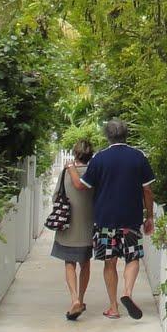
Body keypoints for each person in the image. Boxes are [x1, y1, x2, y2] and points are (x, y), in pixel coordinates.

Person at [77, 118, 156, 320]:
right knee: (133, 257)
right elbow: (147, 190)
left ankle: (113, 307)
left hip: (105, 219)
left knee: (109, 262)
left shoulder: (99, 159)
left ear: (108, 136)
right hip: (131, 218)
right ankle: (127, 292)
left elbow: (83, 186)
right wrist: (150, 216)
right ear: (126, 134)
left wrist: (71, 169)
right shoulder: (139, 157)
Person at [51, 140, 96, 320]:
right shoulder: (94, 175)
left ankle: (74, 299)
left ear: (75, 154)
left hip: (68, 226)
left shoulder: (65, 173)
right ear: (90, 155)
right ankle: (82, 299)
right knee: (85, 263)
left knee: (69, 263)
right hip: (87, 226)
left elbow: (56, 197)